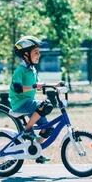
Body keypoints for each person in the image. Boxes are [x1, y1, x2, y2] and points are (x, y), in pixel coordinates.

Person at [9, 36, 63, 164]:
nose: (39, 55)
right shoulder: (20, 70)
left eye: (39, 52)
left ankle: (34, 150)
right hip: (20, 103)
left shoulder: (32, 69)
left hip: (29, 104)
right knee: (45, 105)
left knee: (47, 129)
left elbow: (39, 84)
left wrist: (55, 85)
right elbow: (17, 89)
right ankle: (27, 130)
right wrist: (33, 86)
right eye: (36, 53)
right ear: (25, 54)